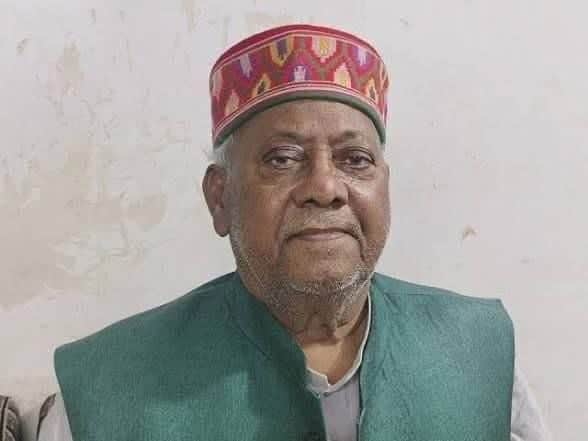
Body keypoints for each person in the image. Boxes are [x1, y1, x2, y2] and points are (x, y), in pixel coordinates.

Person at [38, 24, 551, 441]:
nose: (325, 188)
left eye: (355, 160)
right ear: (220, 197)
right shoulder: (105, 389)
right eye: (282, 159)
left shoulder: (478, 353)